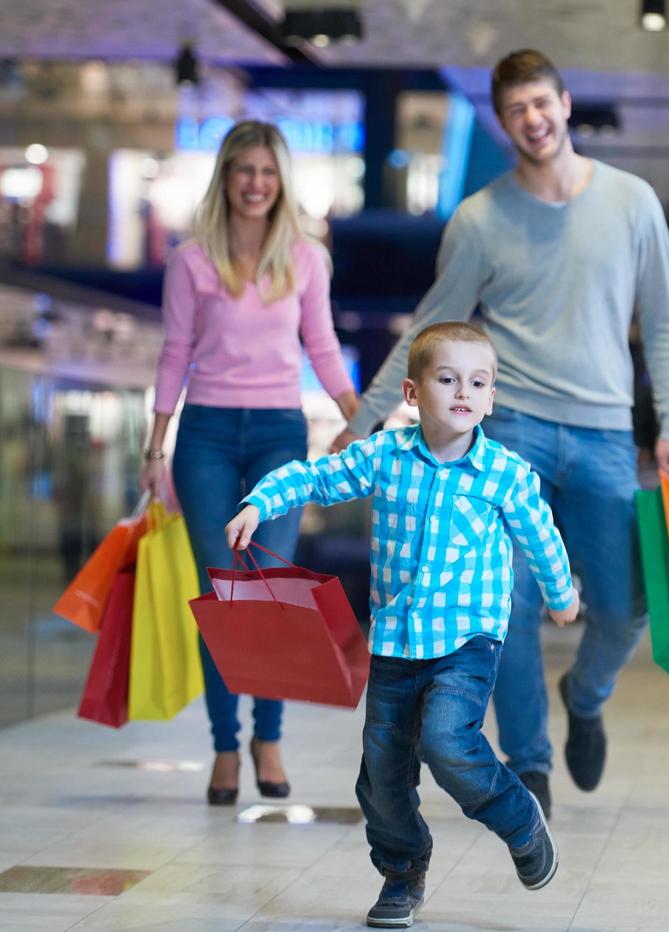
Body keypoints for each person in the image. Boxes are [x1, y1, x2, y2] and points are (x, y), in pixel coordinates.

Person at [331, 49, 669, 816]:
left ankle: (585, 696)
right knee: (511, 608)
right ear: (502, 124)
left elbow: (662, 323)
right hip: (512, 431)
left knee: (626, 604)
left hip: (601, 434)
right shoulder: (480, 220)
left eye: (542, 102)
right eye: (516, 110)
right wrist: (362, 420)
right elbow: (430, 329)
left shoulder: (632, 203)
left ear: (565, 103)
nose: (533, 119)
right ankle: (529, 764)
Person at [226, 323, 578, 929]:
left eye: (477, 382)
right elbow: (316, 477)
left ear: (492, 398)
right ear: (413, 394)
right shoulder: (385, 455)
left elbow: (541, 536)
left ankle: (520, 820)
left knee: (447, 741)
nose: (463, 392)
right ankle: (402, 872)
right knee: (381, 777)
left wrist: (561, 593)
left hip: (468, 640)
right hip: (395, 640)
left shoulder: (505, 473)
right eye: (447, 379)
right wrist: (261, 501)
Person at [139, 120, 359, 806]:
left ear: (281, 180)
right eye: (244, 171)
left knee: (266, 588)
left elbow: (322, 348)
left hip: (277, 436)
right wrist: (156, 446)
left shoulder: (306, 259)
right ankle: (224, 749)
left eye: (267, 172)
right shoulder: (191, 261)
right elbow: (174, 352)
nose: (256, 184)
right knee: (221, 596)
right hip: (203, 434)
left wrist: (364, 419)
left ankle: (269, 735)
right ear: (226, 177)